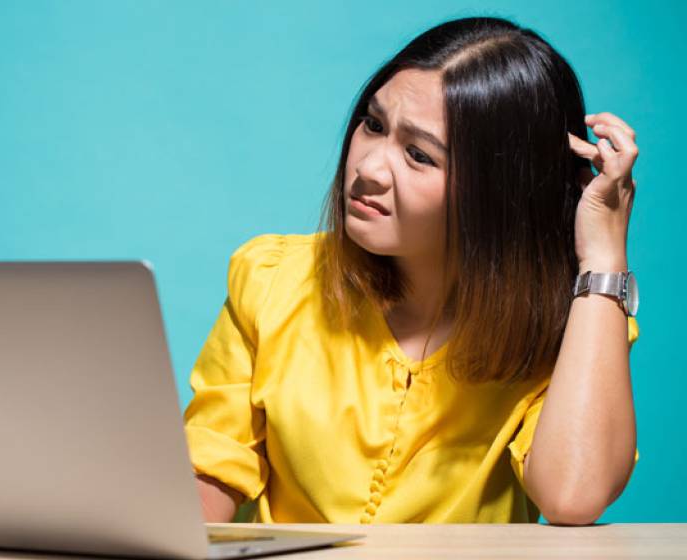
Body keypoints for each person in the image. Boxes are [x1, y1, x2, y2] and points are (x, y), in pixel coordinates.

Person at [183, 16, 640, 526]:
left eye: (419, 155)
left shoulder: (567, 328)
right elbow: (210, 471)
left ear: (501, 191)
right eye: (373, 125)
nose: (368, 169)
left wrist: (604, 259)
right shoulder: (272, 279)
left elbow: (573, 495)